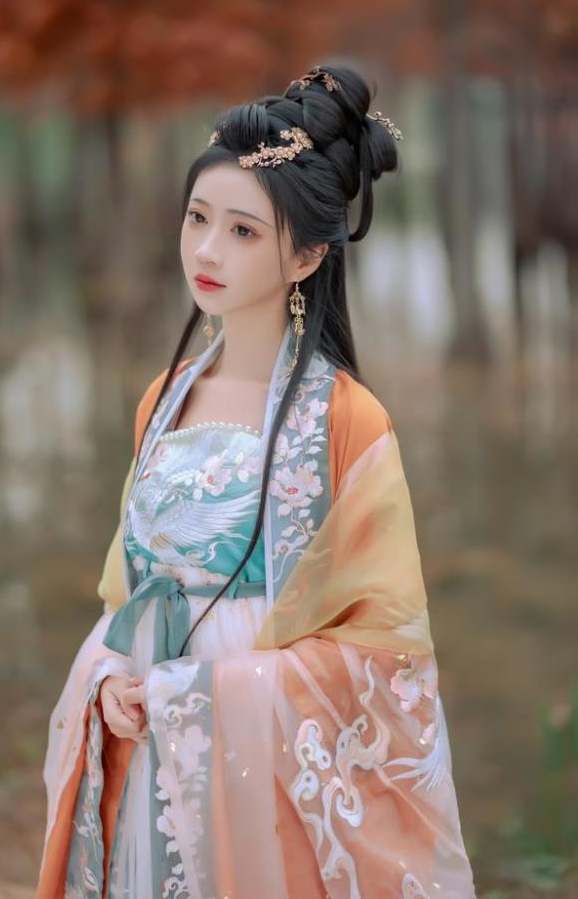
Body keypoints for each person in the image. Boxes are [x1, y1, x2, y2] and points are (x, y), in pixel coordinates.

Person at [35, 64, 477, 898]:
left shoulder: (346, 420)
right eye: (197, 217)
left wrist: (204, 691)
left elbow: (384, 653)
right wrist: (110, 680)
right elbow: (126, 589)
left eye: (242, 231)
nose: (206, 250)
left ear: (306, 254)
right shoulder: (162, 400)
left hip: (260, 766)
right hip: (148, 734)